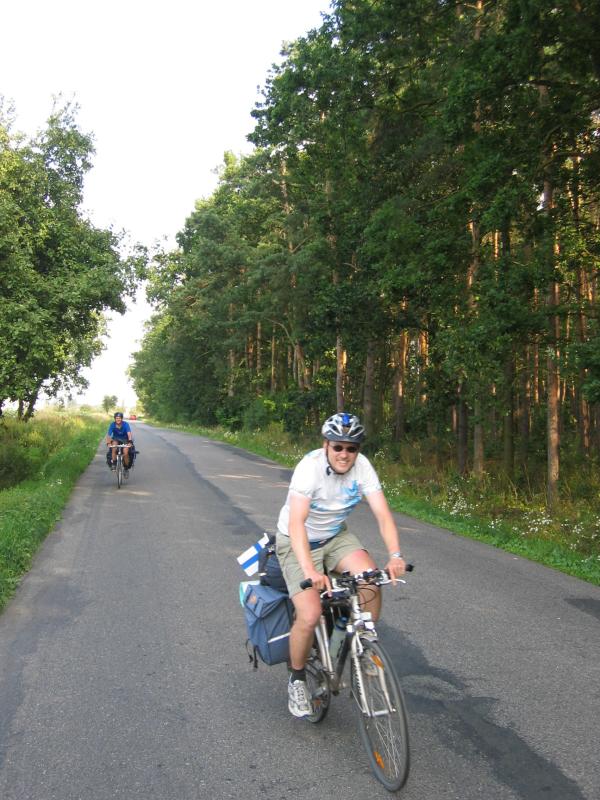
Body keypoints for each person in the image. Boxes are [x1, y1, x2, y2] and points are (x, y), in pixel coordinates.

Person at [275, 412, 406, 718]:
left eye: (352, 448)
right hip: (297, 541)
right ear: (326, 445)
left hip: (335, 536)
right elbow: (296, 523)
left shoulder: (363, 468)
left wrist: (395, 555)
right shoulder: (309, 469)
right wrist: (310, 570)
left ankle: (365, 645)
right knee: (309, 614)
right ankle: (296, 679)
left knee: (370, 580)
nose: (344, 454)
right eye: (338, 447)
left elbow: (383, 515)